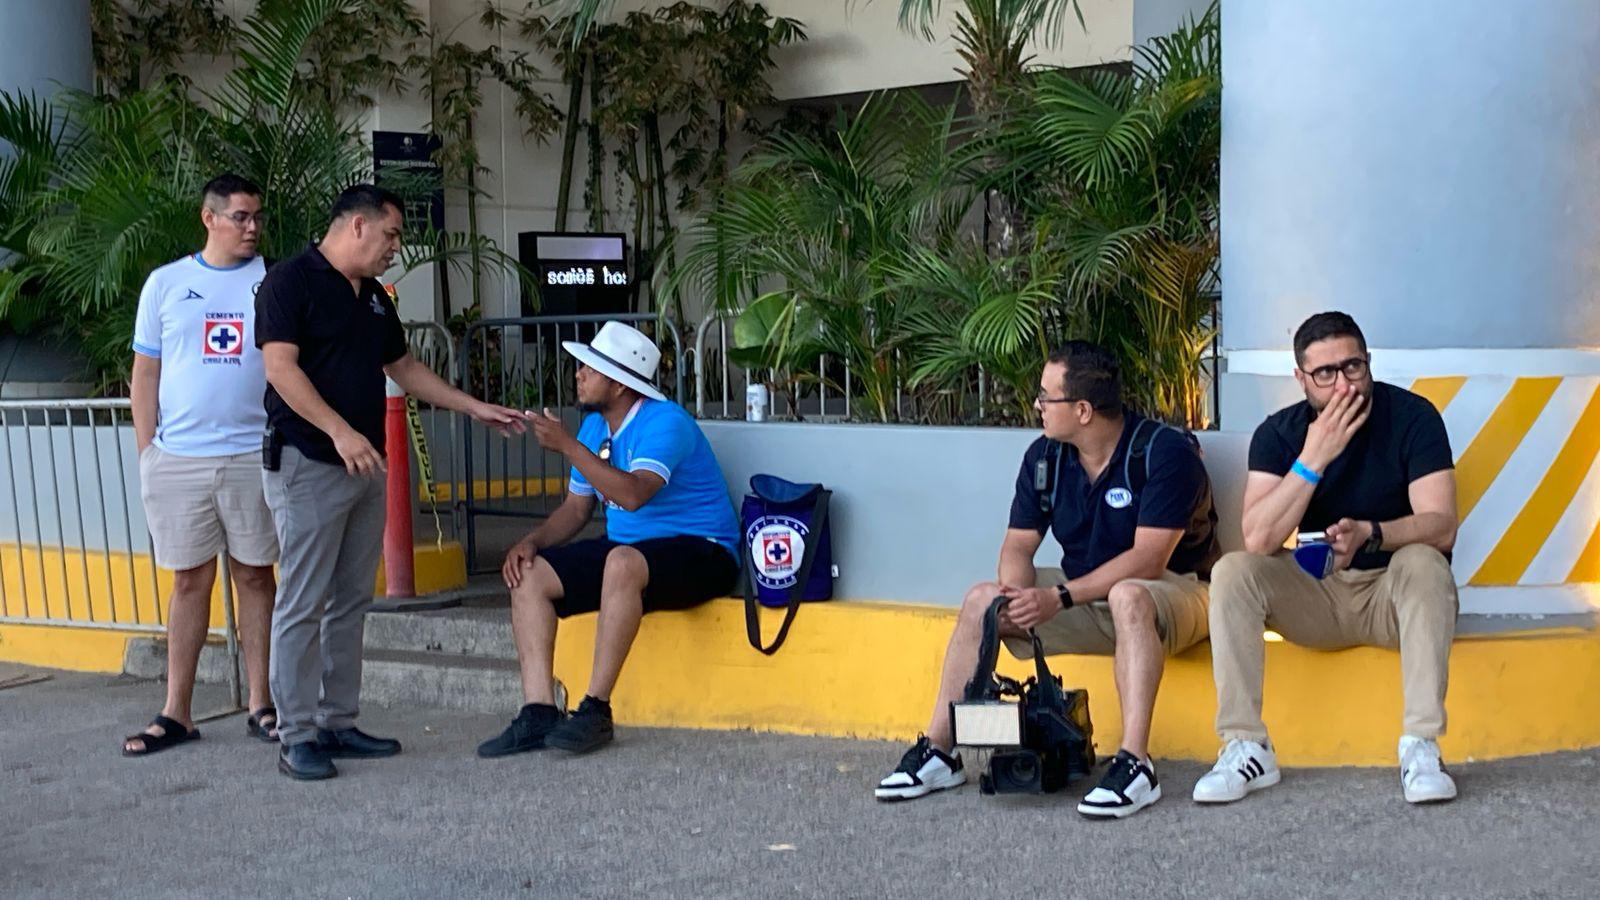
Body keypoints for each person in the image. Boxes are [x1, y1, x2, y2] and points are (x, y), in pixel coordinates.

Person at [873, 340, 1218, 819]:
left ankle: (1136, 763)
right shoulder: (1044, 457)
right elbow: (1018, 546)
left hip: (1179, 594)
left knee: (1128, 594)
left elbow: (1149, 559)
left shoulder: (1164, 453)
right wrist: (1014, 599)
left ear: (1082, 409)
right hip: (1083, 594)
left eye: (1044, 396)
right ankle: (940, 752)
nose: (1035, 405)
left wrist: (1059, 596)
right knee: (982, 600)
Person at [256, 184, 527, 780]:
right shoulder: (290, 281)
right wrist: (337, 431)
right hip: (308, 462)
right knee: (303, 599)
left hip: (365, 466)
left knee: (352, 597)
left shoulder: (374, 296)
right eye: (392, 234)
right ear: (356, 226)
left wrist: (471, 406)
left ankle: (338, 721)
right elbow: (280, 368)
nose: (396, 248)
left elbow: (401, 367)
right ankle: (295, 734)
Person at [1194, 311, 1460, 805]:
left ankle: (1422, 747)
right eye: (1325, 374)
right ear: (1301, 379)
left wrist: (1370, 533)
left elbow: (1442, 524)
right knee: (1233, 571)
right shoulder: (1279, 434)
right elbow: (1258, 539)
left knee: (1426, 560)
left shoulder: (1413, 418)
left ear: (1369, 362)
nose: (1343, 385)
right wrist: (1313, 457)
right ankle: (1246, 746)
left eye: (1353, 367)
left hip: (1393, 599)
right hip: (1315, 598)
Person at [476, 321, 740, 759]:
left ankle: (595, 710)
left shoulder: (665, 421)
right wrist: (532, 542)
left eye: (590, 368)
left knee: (621, 561)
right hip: (632, 554)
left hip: (703, 550)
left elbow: (634, 494)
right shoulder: (594, 430)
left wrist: (567, 447)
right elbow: (576, 510)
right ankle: (539, 710)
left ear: (619, 384)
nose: (578, 374)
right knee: (529, 574)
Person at [124, 173, 280, 756]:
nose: (252, 227)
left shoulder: (274, 280)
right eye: (240, 216)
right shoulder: (166, 284)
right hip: (179, 458)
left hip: (251, 454)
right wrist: (149, 452)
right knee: (189, 580)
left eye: (257, 216)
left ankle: (262, 702)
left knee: (255, 576)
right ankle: (177, 712)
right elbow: (146, 372)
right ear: (208, 218)